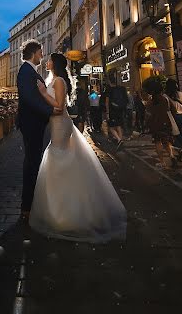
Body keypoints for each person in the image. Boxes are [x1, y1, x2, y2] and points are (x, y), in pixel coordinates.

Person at [30, 53, 126, 243]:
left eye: (49, 60)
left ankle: (65, 212)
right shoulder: (56, 80)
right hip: (57, 124)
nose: (46, 62)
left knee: (58, 160)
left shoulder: (58, 81)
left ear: (54, 64)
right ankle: (66, 208)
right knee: (62, 161)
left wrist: (41, 93)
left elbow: (58, 107)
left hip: (60, 123)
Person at [16, 40, 61, 221]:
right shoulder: (26, 72)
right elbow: (29, 99)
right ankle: (27, 206)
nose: (42, 56)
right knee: (32, 163)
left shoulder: (30, 71)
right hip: (31, 123)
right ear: (34, 53)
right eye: (41, 53)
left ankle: (30, 203)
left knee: (34, 161)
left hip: (34, 123)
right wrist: (50, 110)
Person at [147, 82, 178, 169]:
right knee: (166, 141)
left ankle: (162, 162)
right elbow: (174, 109)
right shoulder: (165, 99)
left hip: (155, 124)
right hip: (166, 123)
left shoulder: (151, 100)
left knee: (157, 142)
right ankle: (171, 156)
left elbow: (148, 114)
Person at [165, 78, 182, 162]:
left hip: (172, 117)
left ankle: (181, 150)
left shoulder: (165, 96)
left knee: (174, 135)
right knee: (181, 134)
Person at [105, 76, 128, 151]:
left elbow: (107, 102)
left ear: (109, 82)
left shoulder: (109, 90)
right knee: (119, 126)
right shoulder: (121, 89)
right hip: (120, 110)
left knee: (111, 127)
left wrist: (107, 112)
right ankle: (120, 141)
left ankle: (119, 140)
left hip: (113, 111)